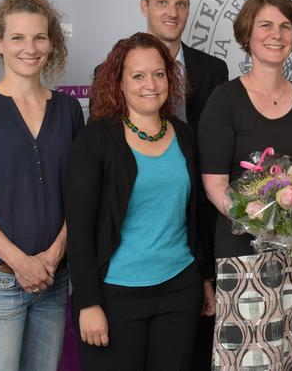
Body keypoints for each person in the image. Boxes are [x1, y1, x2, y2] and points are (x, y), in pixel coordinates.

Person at [198, 0, 292, 370]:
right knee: (251, 362)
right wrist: (261, 218)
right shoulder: (224, 100)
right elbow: (213, 184)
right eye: (266, 25)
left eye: (285, 26)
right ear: (247, 35)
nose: (276, 34)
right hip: (244, 257)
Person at [0, 0, 84, 370]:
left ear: (52, 43)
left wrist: (53, 257)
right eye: (18, 38)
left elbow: (80, 195)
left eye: (40, 37)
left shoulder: (69, 110)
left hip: (53, 283)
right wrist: (20, 262)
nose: (30, 48)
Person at [65, 32, 212, 370]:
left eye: (159, 74)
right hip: (115, 295)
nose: (151, 84)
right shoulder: (96, 140)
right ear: (118, 82)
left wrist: (204, 279)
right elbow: (81, 228)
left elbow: (197, 217)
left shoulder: (187, 138)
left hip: (179, 289)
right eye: (138, 75)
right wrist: (88, 302)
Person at [139, 0, 228, 368]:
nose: (172, 11)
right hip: (144, 222)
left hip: (202, 219)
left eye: (180, 3)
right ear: (144, 7)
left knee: (195, 344)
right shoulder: (115, 69)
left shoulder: (213, 70)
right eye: (162, 2)